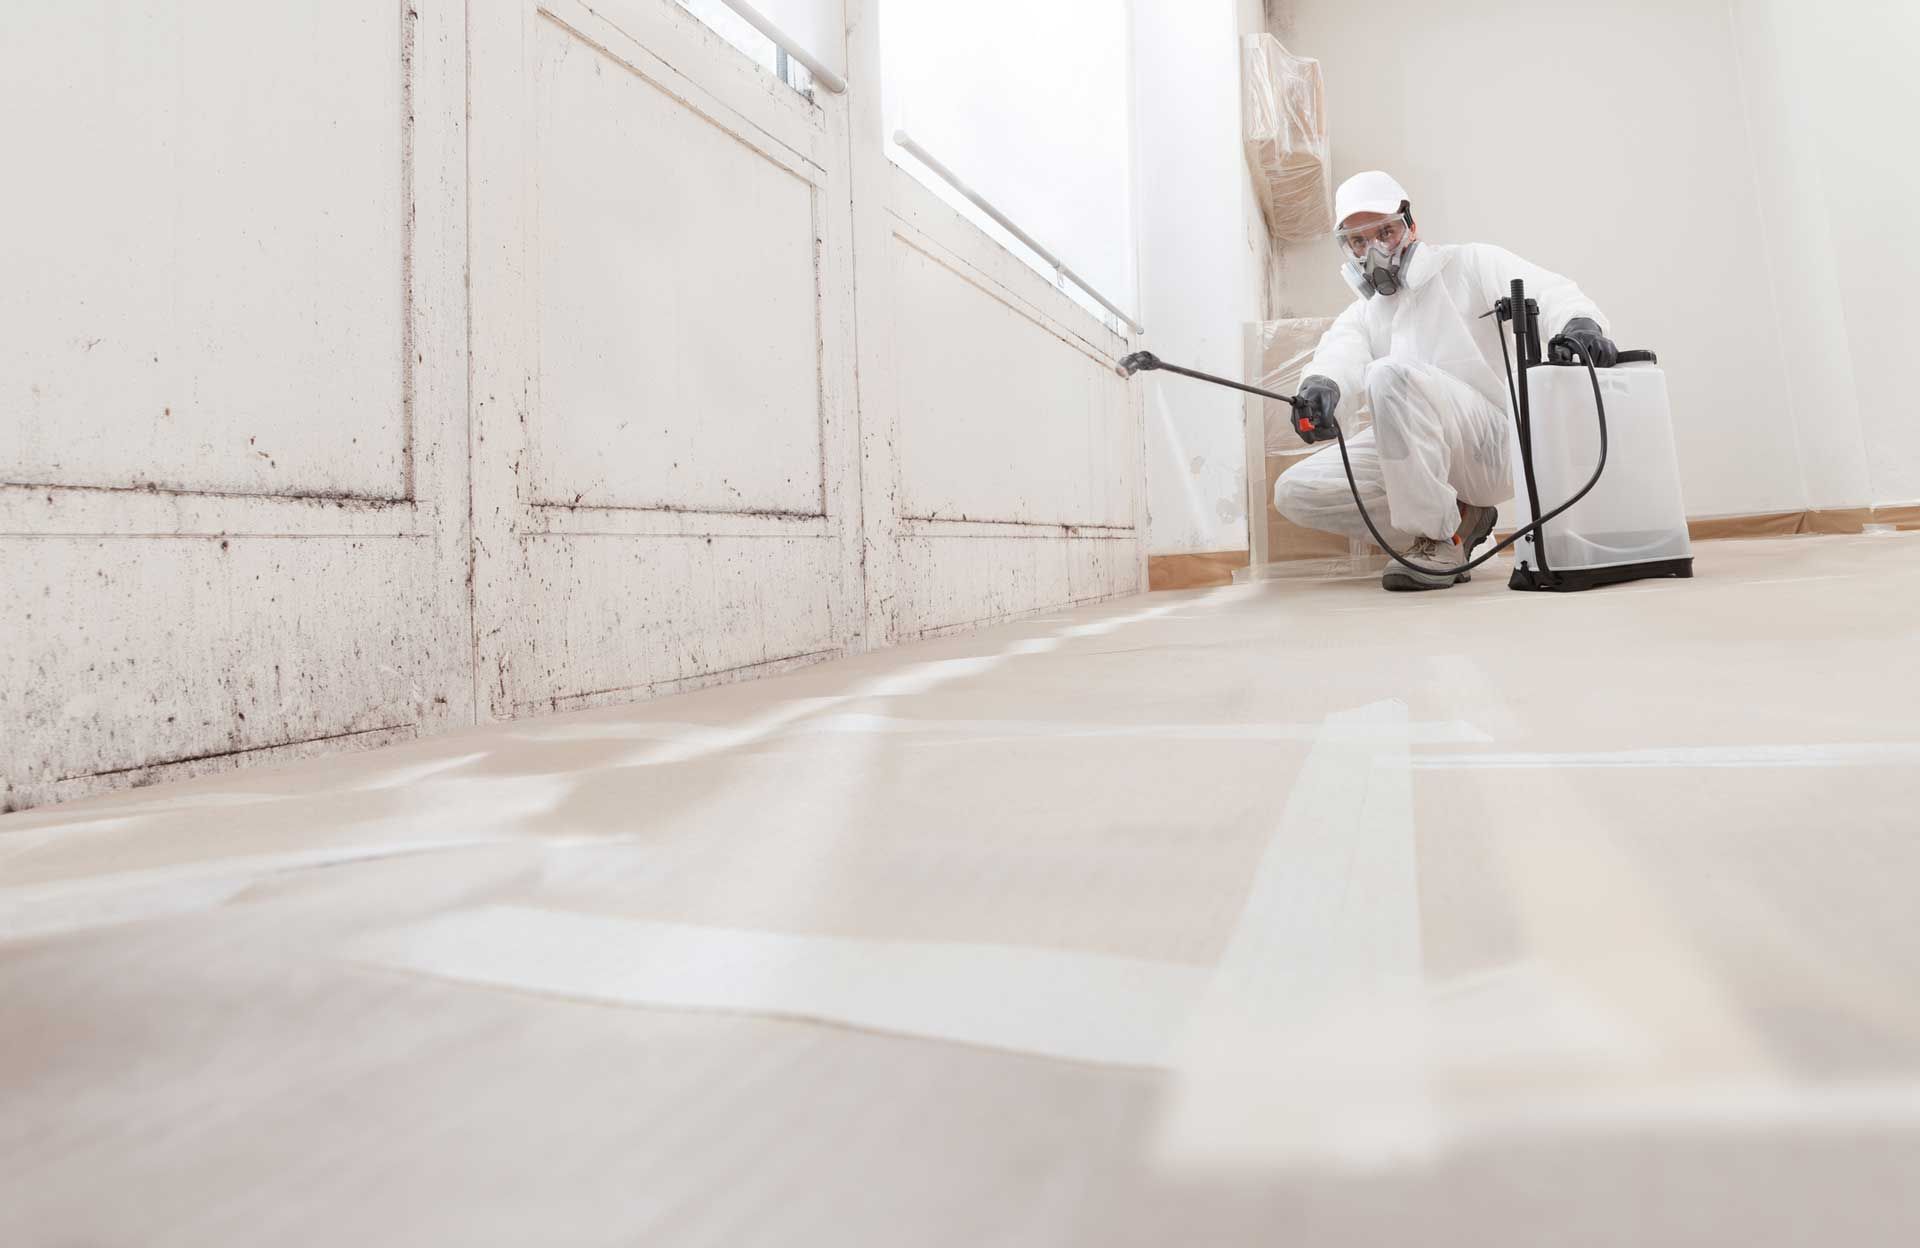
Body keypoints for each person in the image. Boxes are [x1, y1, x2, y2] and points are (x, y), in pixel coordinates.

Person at [1274, 170, 1617, 591]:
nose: (1375, 251)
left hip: (1493, 444)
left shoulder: (1470, 264)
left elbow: (1551, 292)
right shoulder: (1365, 314)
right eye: (1359, 241)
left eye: (1385, 232)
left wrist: (1581, 324)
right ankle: (1459, 521)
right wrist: (1320, 389)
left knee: (1390, 373)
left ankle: (1437, 539)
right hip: (1417, 458)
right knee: (1296, 490)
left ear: (1410, 225)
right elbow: (1337, 355)